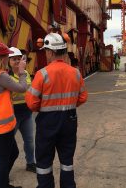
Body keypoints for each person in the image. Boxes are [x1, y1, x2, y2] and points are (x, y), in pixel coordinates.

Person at [25, 33, 88, 188]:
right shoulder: (76, 72)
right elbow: (83, 97)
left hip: (47, 122)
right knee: (67, 160)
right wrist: (69, 105)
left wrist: (45, 107)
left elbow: (31, 103)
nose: (46, 54)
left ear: (51, 52)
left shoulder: (42, 74)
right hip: (70, 119)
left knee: (44, 161)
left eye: (46, 50)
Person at [0, 40, 27, 188]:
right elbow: (22, 88)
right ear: (1, 58)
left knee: (12, 153)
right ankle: (1, 184)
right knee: (4, 158)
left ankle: (1, 182)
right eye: (5, 56)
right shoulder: (0, 76)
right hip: (4, 125)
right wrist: (22, 72)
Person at [8, 47, 36, 173]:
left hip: (27, 114)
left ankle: (31, 163)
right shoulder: (6, 77)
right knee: (6, 145)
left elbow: (29, 91)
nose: (17, 61)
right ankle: (1, 171)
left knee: (29, 142)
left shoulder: (25, 74)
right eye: (14, 59)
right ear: (8, 61)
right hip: (12, 115)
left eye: (19, 59)